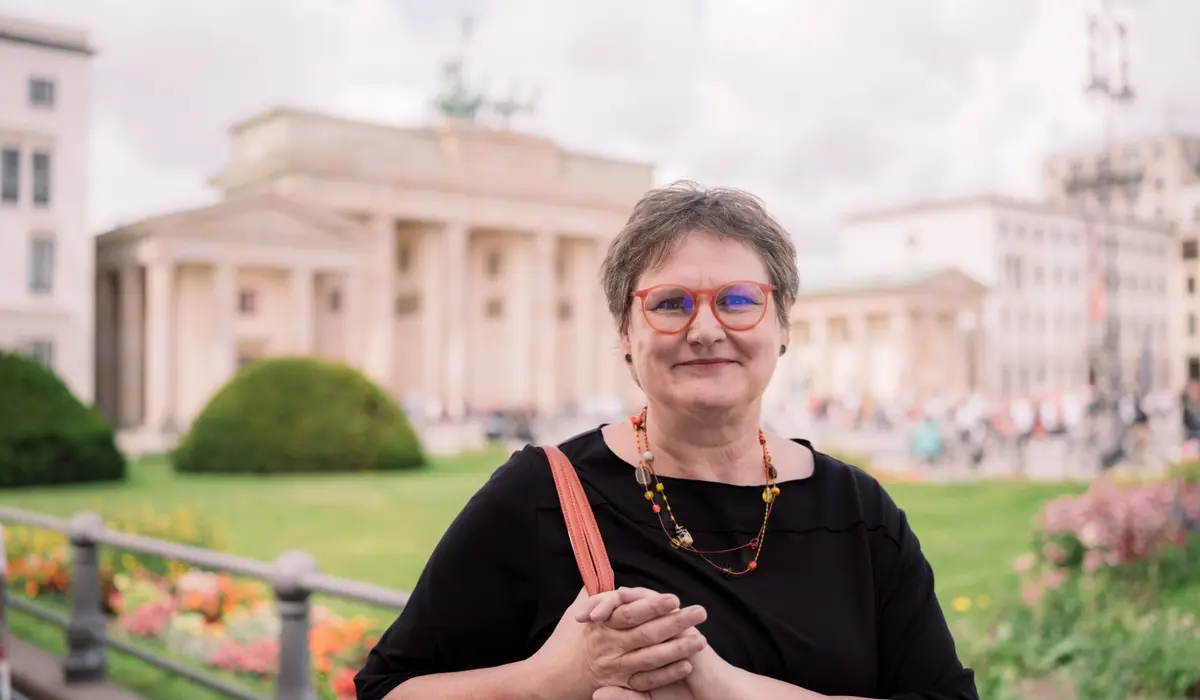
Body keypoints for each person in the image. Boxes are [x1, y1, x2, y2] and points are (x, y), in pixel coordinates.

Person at [355, 181, 978, 700]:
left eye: (739, 300)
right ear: (626, 332)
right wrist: (550, 679)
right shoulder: (540, 494)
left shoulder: (857, 513)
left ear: (782, 325)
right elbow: (386, 689)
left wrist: (728, 687)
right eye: (670, 303)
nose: (706, 330)